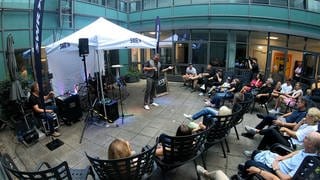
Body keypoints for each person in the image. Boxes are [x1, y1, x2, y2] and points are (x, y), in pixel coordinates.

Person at [243, 131, 320, 180]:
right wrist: (281, 158)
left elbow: (286, 178)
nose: (304, 138)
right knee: (256, 152)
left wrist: (276, 168)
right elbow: (295, 153)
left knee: (249, 163)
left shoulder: (306, 162)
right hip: (279, 163)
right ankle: (251, 174)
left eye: (307, 138)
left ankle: (244, 175)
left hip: (277, 172)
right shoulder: (307, 150)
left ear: (310, 144)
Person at [247, 107, 320, 151]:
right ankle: (258, 150)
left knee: (272, 131)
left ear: (312, 118)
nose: (306, 116)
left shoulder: (312, 129)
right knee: (273, 129)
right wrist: (300, 122)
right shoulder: (307, 124)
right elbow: (294, 130)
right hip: (289, 139)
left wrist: (285, 129)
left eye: (307, 115)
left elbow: (295, 135)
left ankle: (257, 131)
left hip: (291, 145)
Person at [242, 97, 307, 139]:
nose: (296, 103)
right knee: (268, 118)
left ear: (303, 104)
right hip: (283, 120)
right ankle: (253, 132)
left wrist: (282, 123)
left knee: (268, 118)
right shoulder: (298, 109)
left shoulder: (303, 114)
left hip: (285, 124)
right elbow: (291, 113)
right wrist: (282, 116)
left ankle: (253, 132)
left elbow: (295, 124)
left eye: (298, 102)